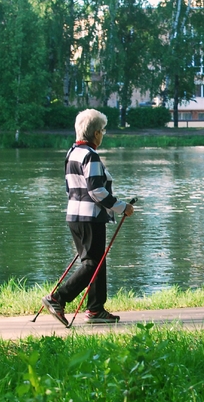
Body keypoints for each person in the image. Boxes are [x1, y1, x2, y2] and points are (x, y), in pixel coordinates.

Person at [42, 109, 134, 325]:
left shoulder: (72, 153)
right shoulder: (90, 155)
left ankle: (95, 309)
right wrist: (122, 207)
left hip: (74, 215)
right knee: (92, 263)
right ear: (95, 133)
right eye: (102, 131)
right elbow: (96, 191)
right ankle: (58, 298)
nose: (103, 135)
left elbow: (70, 188)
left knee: (96, 262)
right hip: (90, 217)